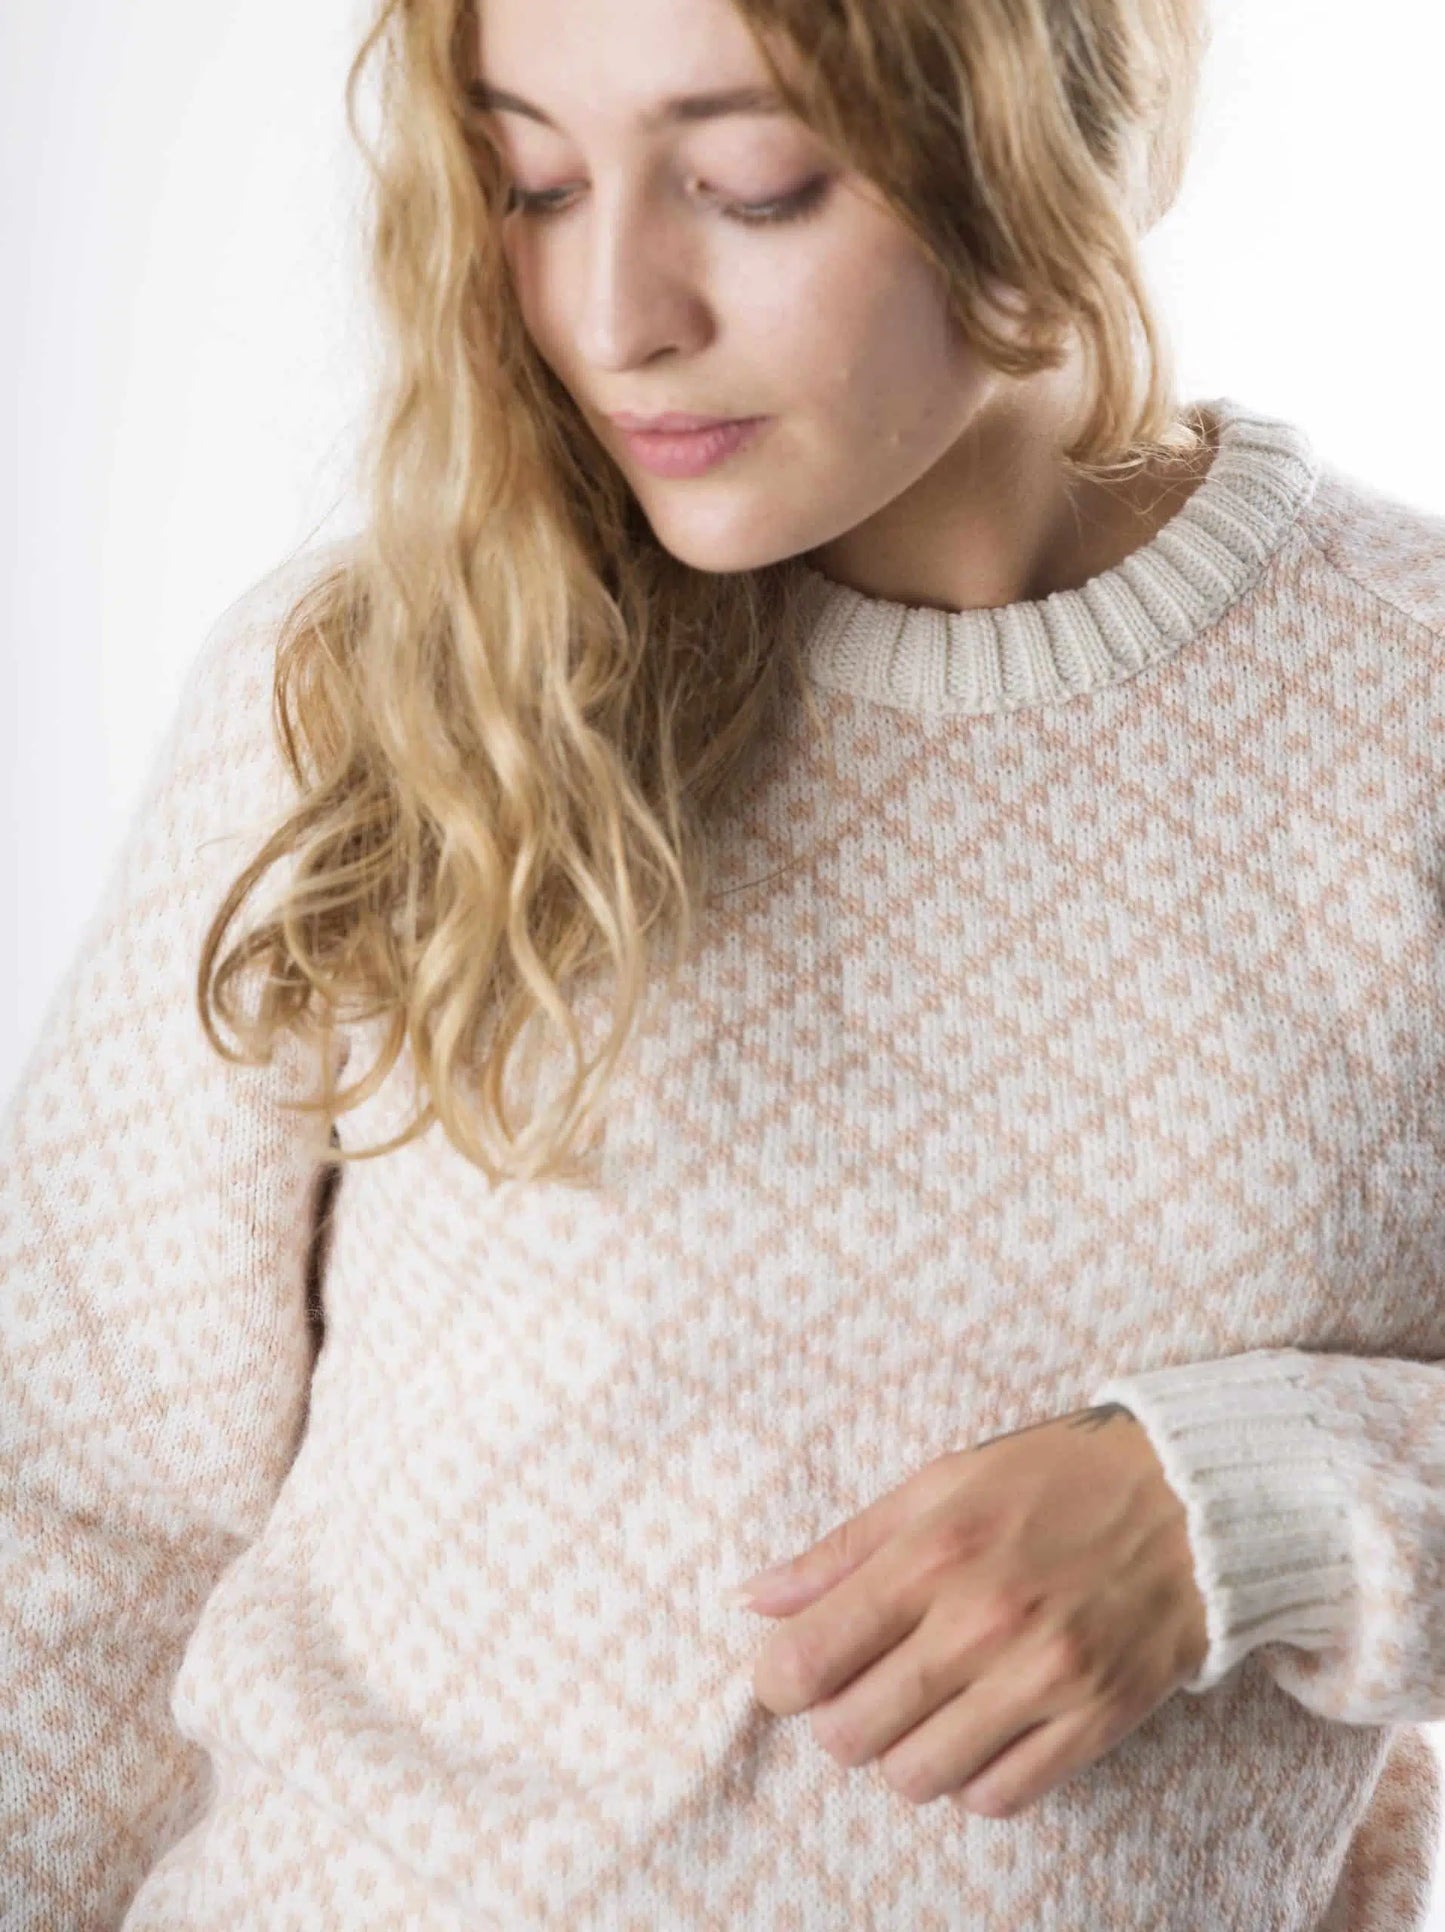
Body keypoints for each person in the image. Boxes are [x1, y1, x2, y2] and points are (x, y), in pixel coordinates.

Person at [3, 0, 1443, 1924]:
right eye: (531, 179)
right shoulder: (384, 691)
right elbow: (75, 1523)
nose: (612, 315)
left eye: (751, 184)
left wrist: (1263, 1513)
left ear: (1046, 128)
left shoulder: (1402, 710)